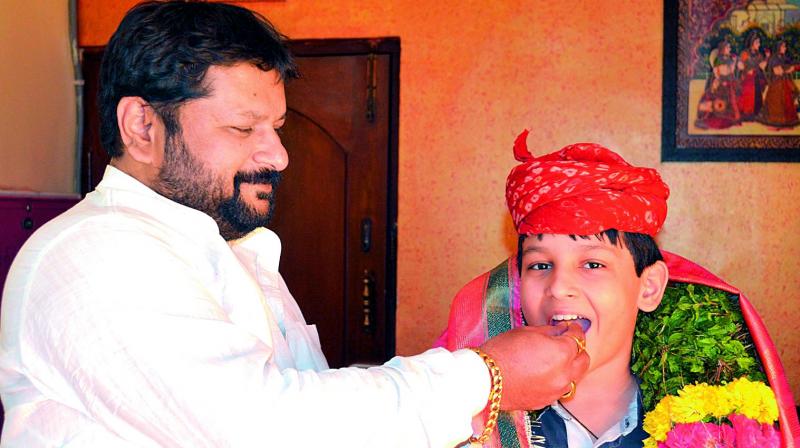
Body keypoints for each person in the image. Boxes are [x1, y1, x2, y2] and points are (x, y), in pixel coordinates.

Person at [0, 2, 589, 447]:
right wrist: (482, 378)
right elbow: (263, 427)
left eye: (276, 127)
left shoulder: (222, 245)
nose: (277, 156)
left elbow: (309, 400)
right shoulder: (96, 254)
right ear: (142, 127)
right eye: (243, 128)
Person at [437, 130, 671, 447]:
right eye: (540, 266)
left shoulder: (712, 421)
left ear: (649, 288)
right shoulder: (457, 414)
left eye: (592, 265)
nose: (559, 288)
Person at [695, 40, 741, 129]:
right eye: (728, 47)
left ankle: (733, 119)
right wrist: (719, 81)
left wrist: (734, 63)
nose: (730, 49)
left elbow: (731, 71)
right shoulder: (718, 59)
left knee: (732, 101)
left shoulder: (730, 59)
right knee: (718, 101)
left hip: (729, 82)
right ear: (723, 49)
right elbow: (716, 72)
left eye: (729, 47)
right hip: (720, 83)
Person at [758, 40, 800, 128]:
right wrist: (787, 69)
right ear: (778, 47)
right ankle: (776, 123)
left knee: (787, 102)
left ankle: (787, 122)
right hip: (776, 84)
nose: (785, 48)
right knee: (776, 104)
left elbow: (790, 66)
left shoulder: (784, 57)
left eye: (785, 46)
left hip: (784, 82)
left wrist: (789, 68)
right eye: (783, 46)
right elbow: (778, 71)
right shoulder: (774, 58)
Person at [736, 33, 767, 121]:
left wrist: (765, 62)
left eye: (759, 42)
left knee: (757, 98)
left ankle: (756, 113)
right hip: (747, 81)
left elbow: (761, 67)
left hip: (756, 80)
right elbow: (740, 66)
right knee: (747, 99)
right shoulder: (745, 53)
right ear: (752, 43)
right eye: (757, 42)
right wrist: (746, 71)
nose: (759, 44)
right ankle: (747, 114)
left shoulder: (759, 55)